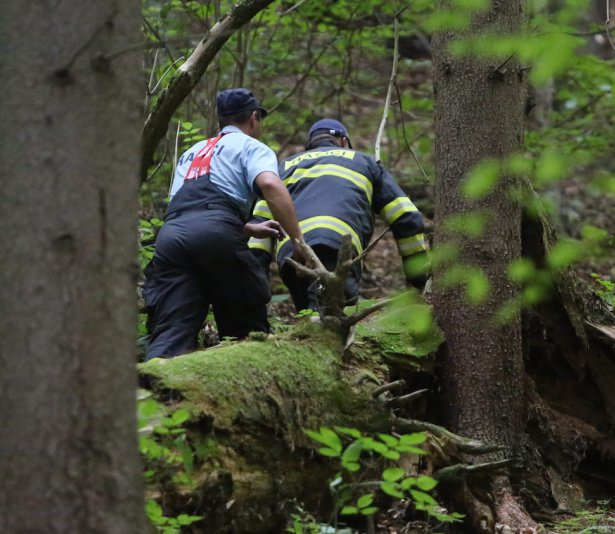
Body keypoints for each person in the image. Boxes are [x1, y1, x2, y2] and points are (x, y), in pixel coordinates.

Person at [143, 88, 309, 360]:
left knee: (171, 331)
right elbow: (269, 184)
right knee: (246, 328)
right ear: (254, 118)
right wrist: (298, 241)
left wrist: (246, 228)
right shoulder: (252, 147)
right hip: (217, 232)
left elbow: (189, 208)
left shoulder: (192, 151)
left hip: (171, 238)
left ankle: (154, 383)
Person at [248, 118, 428, 311]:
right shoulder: (364, 161)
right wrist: (418, 281)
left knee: (310, 314)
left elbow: (259, 232)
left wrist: (256, 288)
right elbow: (407, 217)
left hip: (293, 254)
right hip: (338, 248)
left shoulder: (282, 167)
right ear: (344, 141)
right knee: (335, 319)